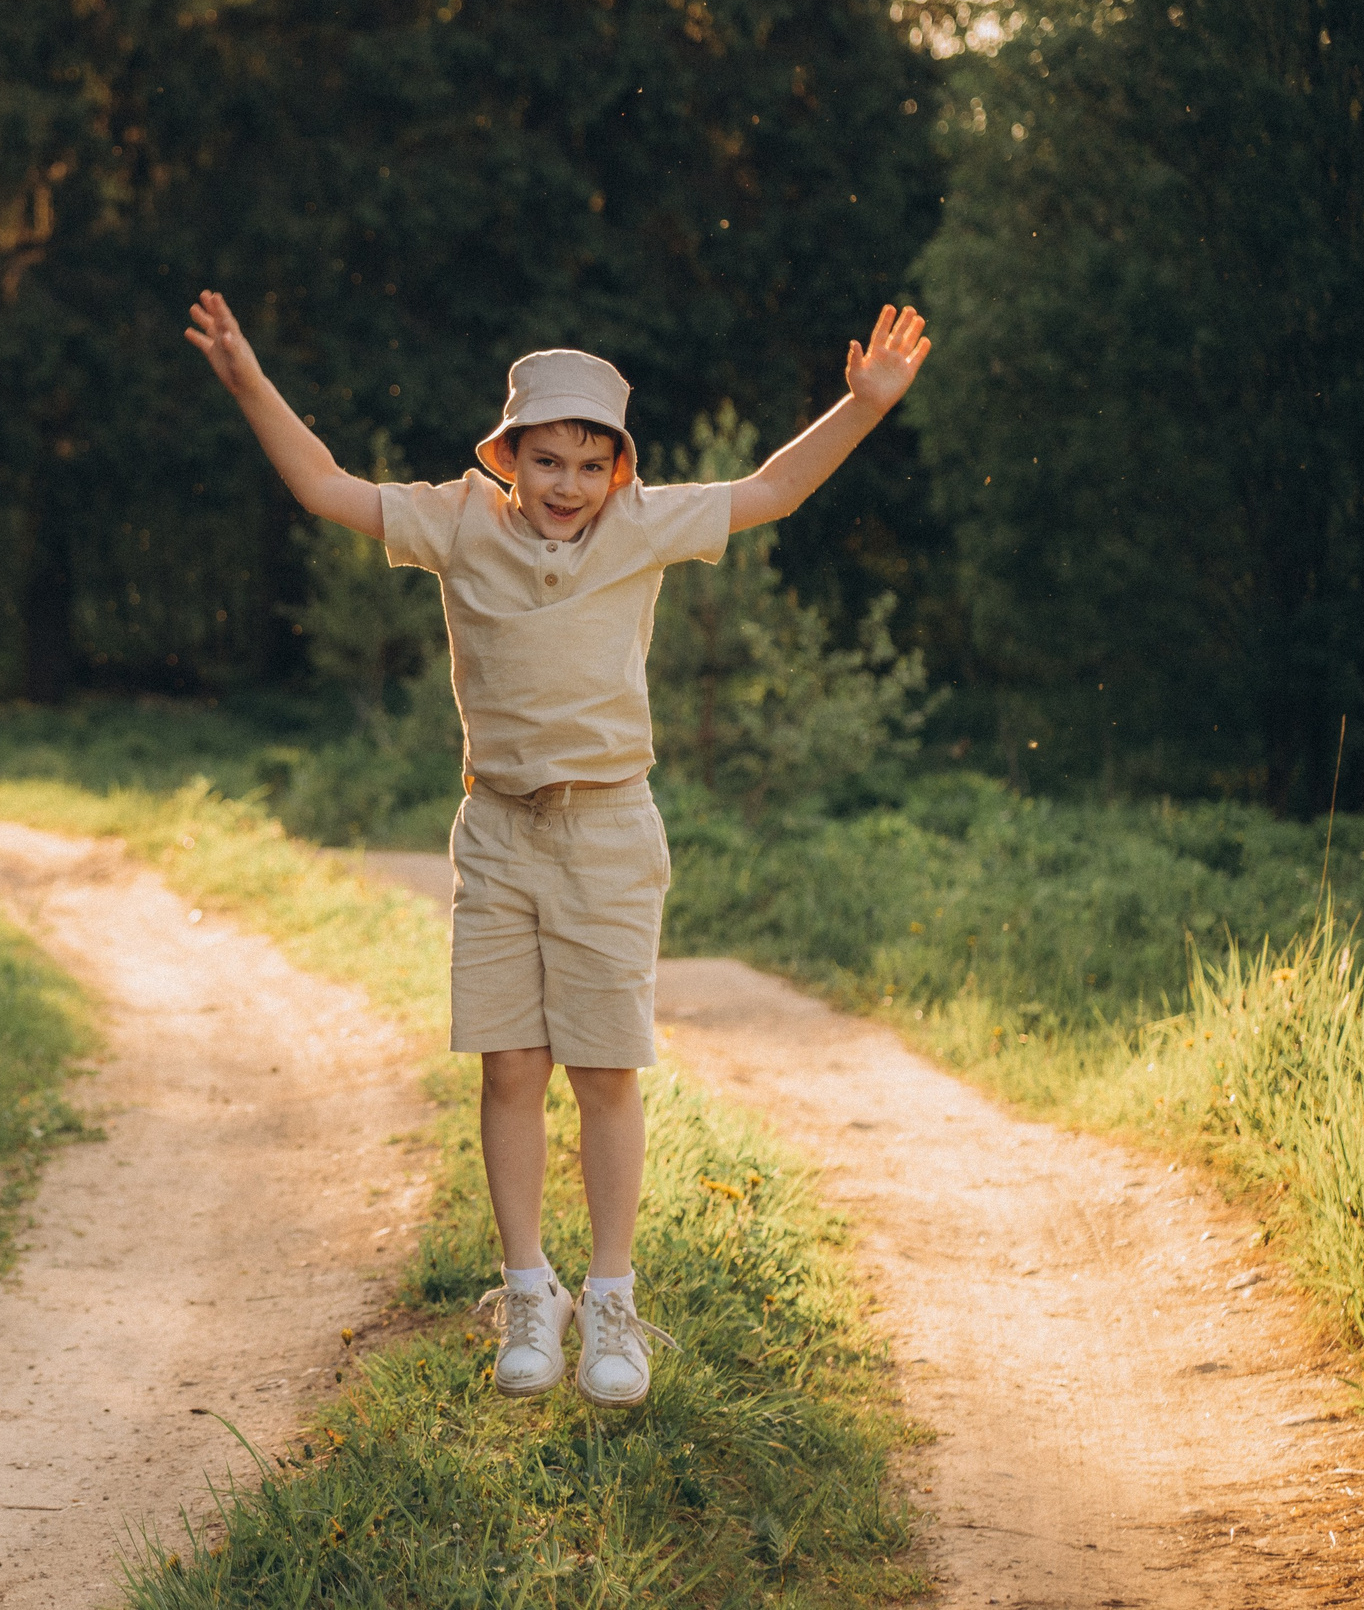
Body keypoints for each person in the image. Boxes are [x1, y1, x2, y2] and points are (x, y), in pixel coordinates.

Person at [185, 292, 932, 1403]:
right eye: (547, 460)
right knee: (510, 1065)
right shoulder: (454, 522)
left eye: (590, 462)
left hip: (608, 828)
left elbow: (771, 488)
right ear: (509, 459)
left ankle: (613, 1301)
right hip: (495, 828)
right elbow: (323, 484)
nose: (567, 483)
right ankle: (529, 1292)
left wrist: (860, 407)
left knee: (604, 1070)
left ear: (618, 470)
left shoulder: (643, 527)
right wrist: (248, 377)